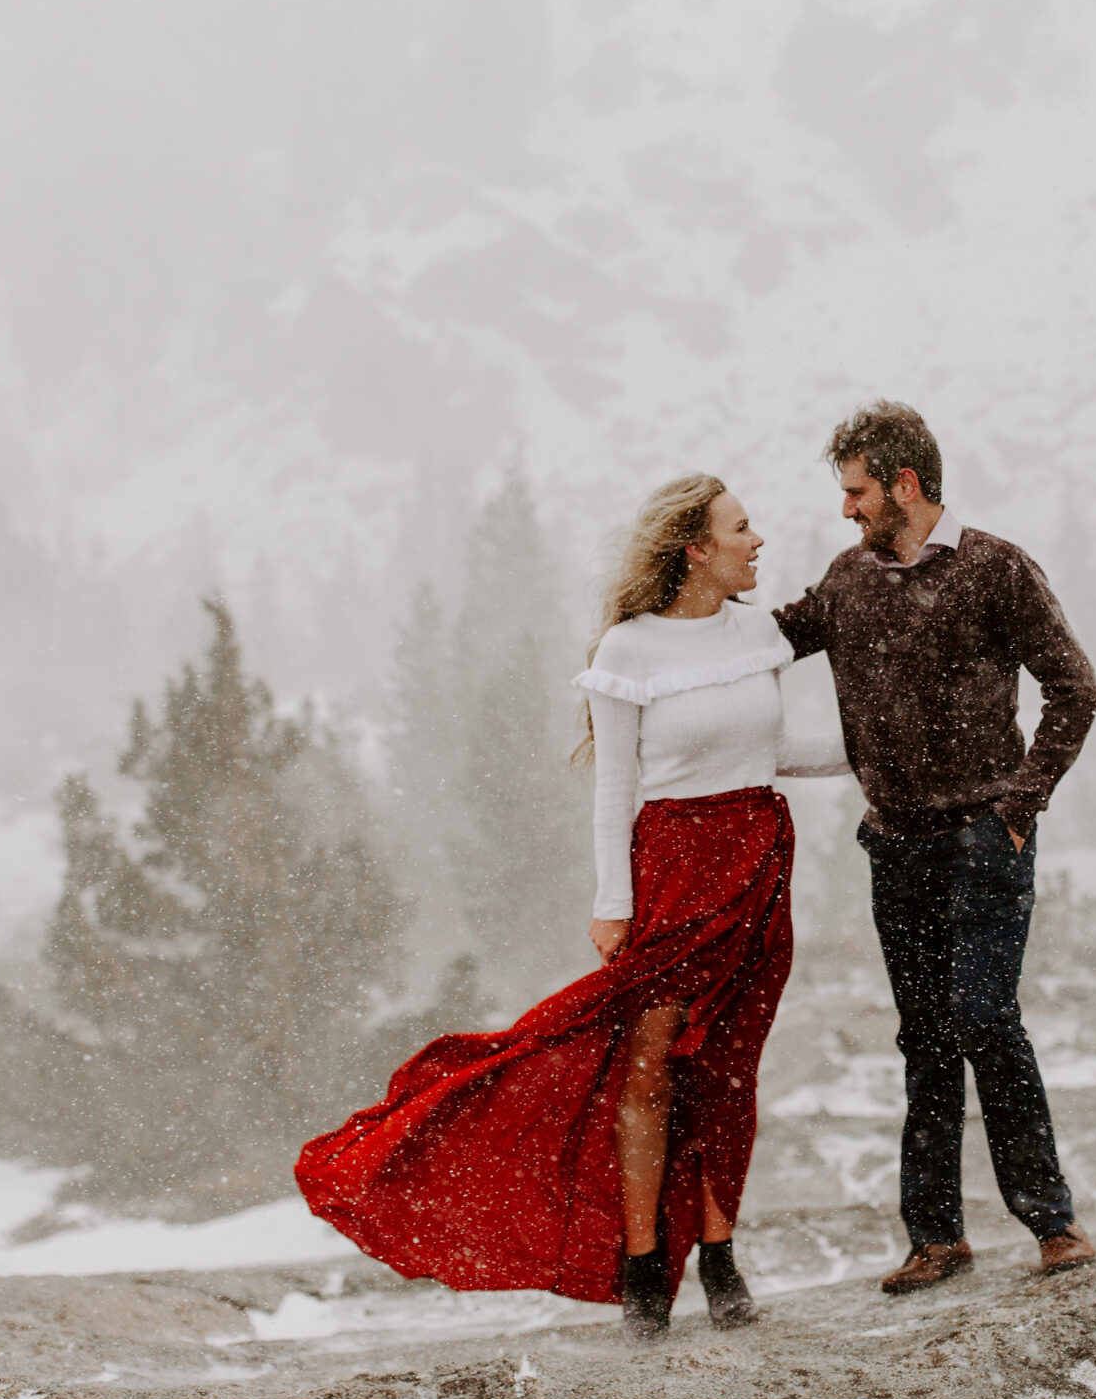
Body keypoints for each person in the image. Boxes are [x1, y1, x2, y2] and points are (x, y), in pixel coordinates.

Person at [296, 474, 845, 1341]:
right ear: (695, 548)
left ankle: (718, 1249)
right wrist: (612, 901)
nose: (759, 540)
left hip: (757, 857)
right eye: (743, 528)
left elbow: (771, 748)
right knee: (650, 1061)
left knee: (730, 1067)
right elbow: (616, 784)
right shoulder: (629, 649)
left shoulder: (760, 633)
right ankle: (637, 1264)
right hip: (672, 865)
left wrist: (881, 753)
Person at [772, 401, 1096, 1294]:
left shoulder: (997, 568)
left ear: (906, 485)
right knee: (923, 1037)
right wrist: (665, 631)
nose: (847, 508)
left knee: (985, 1020)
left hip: (983, 840)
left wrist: (1020, 805)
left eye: (857, 491)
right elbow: (766, 642)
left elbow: (1075, 688)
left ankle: (1051, 1221)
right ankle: (937, 1237)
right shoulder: (847, 578)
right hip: (894, 847)